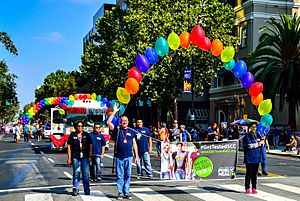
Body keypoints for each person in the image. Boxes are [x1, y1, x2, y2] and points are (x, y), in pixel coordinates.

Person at [106, 104, 139, 200]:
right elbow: (108, 122)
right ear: (120, 122)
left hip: (129, 156)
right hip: (119, 156)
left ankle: (126, 192)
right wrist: (115, 112)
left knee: (127, 175)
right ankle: (120, 192)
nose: (124, 122)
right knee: (120, 175)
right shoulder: (117, 129)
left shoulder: (131, 131)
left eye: (125, 121)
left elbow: (134, 144)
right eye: (122, 120)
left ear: (128, 122)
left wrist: (136, 156)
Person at [67, 121, 92, 196]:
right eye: (78, 126)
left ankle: (87, 189)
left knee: (86, 173)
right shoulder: (72, 135)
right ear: (75, 127)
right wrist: (69, 158)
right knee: (76, 173)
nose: (80, 127)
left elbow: (90, 144)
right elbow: (69, 146)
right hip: (76, 156)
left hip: (85, 156)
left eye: (81, 126)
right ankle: (75, 189)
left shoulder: (86, 135)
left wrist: (90, 155)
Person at [243, 122, 264, 194]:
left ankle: (254, 187)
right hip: (249, 157)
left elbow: (262, 145)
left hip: (257, 157)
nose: (254, 128)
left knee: (255, 174)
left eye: (255, 127)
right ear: (250, 128)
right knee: (248, 173)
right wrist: (259, 144)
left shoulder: (258, 135)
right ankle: (247, 187)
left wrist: (263, 142)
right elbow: (249, 146)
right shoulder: (247, 136)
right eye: (252, 127)